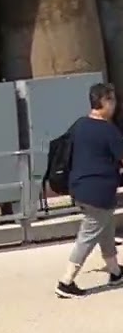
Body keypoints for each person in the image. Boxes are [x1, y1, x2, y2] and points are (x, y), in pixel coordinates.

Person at [55, 82, 123, 298]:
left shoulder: (79, 125)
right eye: (112, 100)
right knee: (88, 235)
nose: (115, 105)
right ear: (104, 102)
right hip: (99, 190)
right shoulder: (108, 130)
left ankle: (115, 272)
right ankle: (66, 282)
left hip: (79, 188)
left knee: (106, 228)